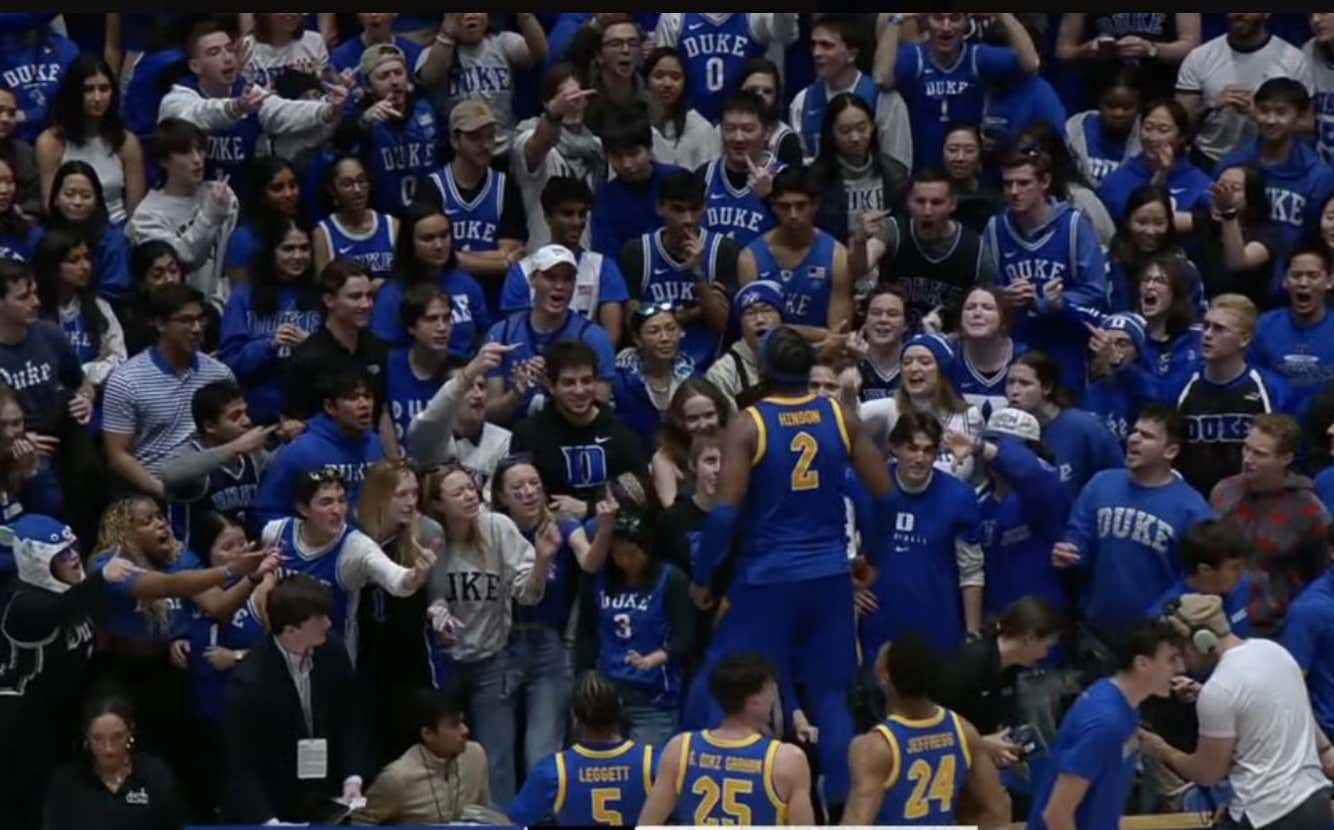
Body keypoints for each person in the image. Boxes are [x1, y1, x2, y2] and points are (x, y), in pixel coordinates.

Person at [684, 326, 895, 811]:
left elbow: (723, 514)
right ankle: (845, 808)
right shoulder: (839, 416)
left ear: (762, 371)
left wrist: (704, 576)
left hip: (766, 579)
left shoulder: (750, 424)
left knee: (724, 682)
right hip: (827, 576)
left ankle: (704, 801)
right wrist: (873, 560)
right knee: (831, 695)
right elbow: (883, 495)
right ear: (807, 370)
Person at [423, 462, 559, 804]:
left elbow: (527, 593)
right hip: (444, 664)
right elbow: (425, 594)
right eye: (459, 492)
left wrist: (541, 560)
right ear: (438, 504)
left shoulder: (497, 527)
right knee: (441, 755)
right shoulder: (429, 535)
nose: (470, 496)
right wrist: (436, 614)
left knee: (496, 758)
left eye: (471, 488)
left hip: (492, 660)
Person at [1139, 594, 1334, 830]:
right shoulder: (1275, 652)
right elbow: (1310, 735)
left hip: (1267, 817)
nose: (1182, 665)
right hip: (1315, 803)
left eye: (1181, 652)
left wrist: (1160, 748)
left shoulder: (1220, 689)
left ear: (1202, 640)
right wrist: (1206, 695)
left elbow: (1206, 773)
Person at [0, 515, 139, 829]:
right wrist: (101, 577)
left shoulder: (76, 592)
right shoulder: (23, 604)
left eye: (73, 548)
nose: (74, 557)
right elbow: (57, 610)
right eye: (62, 554)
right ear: (39, 562)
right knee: (25, 808)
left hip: (60, 717)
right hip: (17, 724)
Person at [1054, 404, 1213, 657]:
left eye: (1147, 436)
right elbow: (1078, 535)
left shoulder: (1192, 508)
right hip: (1095, 631)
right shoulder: (1100, 483)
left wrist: (1163, 616)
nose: (1134, 439)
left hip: (1155, 639)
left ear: (1170, 450)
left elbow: (1197, 577)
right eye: (1134, 431)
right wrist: (1070, 551)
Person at [221, 574, 371, 825]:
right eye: (319, 618)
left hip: (330, 795)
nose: (328, 623)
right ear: (291, 629)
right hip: (278, 803)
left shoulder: (331, 650)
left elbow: (351, 717)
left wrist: (352, 777)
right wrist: (268, 821)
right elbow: (240, 765)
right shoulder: (249, 682)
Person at [158, 19, 343, 196]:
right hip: (191, 200)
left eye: (229, 49)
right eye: (214, 52)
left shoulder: (247, 91)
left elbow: (282, 112)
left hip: (244, 198)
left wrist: (327, 109)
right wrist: (236, 107)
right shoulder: (177, 99)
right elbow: (200, 114)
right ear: (195, 66)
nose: (227, 58)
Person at [1028, 619, 1183, 830]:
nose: (1180, 667)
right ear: (1142, 664)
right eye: (1171, 660)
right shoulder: (1105, 724)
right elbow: (1056, 814)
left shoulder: (1121, 701)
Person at [843, 635, 1010, 827]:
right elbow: (999, 808)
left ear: (884, 678)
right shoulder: (963, 730)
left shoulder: (874, 747)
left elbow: (857, 823)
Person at [983, 147, 1107, 394]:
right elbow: (983, 291)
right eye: (1008, 184)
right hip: (1015, 349)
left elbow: (1097, 293)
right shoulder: (995, 229)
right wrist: (1003, 298)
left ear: (1045, 182)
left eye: (1023, 183)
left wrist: (1057, 302)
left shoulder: (1074, 226)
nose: (1014, 192)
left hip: (1065, 349)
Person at [639, 654, 815, 825]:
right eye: (770, 693)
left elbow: (647, 823)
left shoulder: (679, 748)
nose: (774, 701)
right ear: (755, 701)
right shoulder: (787, 759)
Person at [865, 410, 983, 656]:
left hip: (938, 630)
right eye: (912, 448)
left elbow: (971, 572)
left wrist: (972, 634)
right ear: (894, 447)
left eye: (928, 450)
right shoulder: (867, 485)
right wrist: (850, 588)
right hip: (878, 628)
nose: (919, 458)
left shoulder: (959, 497)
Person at [102, 283, 233, 498]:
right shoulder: (126, 380)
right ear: (160, 324)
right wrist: (162, 492)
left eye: (201, 319)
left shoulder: (219, 374)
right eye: (186, 321)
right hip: (153, 491)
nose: (197, 328)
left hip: (211, 488)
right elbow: (118, 456)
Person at [579, 508, 694, 748]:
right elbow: (587, 631)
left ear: (647, 549)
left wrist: (656, 658)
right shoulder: (601, 578)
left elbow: (686, 635)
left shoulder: (671, 579)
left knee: (646, 772)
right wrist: (586, 675)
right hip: (607, 696)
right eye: (617, 554)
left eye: (631, 554)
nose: (624, 561)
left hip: (653, 698)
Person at [1210, 414, 1329, 638]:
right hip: (1219, 622)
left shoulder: (1309, 511)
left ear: (1285, 458)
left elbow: (1321, 575)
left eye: (1259, 454)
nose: (1247, 459)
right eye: (1246, 449)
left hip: (1273, 630)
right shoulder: (1223, 492)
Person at [873, 12, 1040, 170]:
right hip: (923, 170)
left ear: (967, 23)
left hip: (968, 165)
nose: (946, 27)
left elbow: (1031, 63)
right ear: (926, 22)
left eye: (954, 18)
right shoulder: (915, 57)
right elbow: (881, 78)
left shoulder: (976, 56)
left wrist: (1002, 14)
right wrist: (897, 20)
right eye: (938, 18)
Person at [948, 407, 1072, 618]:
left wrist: (981, 446)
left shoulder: (1045, 492)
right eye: (993, 443)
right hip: (996, 624)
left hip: (1041, 623)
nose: (996, 454)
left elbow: (1028, 470)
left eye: (1007, 447)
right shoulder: (976, 502)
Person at [483, 244, 617, 425]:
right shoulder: (502, 334)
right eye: (550, 277)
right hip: (511, 440)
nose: (559, 286)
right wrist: (515, 395)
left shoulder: (594, 338)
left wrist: (553, 387)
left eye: (567, 279)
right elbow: (489, 415)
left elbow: (600, 413)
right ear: (532, 279)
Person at [511, 340, 645, 515]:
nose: (580, 390)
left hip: (612, 527)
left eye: (586, 381)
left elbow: (643, 495)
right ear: (551, 387)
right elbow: (515, 495)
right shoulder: (528, 434)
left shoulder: (621, 432)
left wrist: (589, 509)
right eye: (569, 383)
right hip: (549, 527)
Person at [620, 169, 736, 369]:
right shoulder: (637, 252)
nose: (688, 219)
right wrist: (695, 313)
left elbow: (720, 324)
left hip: (708, 368)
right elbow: (634, 325)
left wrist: (698, 272)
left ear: (705, 207)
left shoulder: (722, 250)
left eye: (695, 209)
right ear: (659, 208)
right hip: (653, 366)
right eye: (678, 209)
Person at [508, 670, 655, 827]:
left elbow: (513, 822)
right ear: (619, 706)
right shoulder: (651, 762)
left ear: (574, 715)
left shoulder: (555, 770)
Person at [1177, 294, 1289, 497]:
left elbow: (1283, 454)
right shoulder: (1183, 385)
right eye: (1206, 326)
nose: (1207, 335)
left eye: (1219, 329)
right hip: (1193, 501)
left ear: (1244, 339)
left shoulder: (1270, 390)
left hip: (1250, 502)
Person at [930, 596, 1066, 756]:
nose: (1045, 654)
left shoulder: (1012, 669)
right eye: (1047, 646)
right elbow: (934, 729)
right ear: (1030, 638)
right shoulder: (970, 664)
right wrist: (983, 743)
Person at [424, 99, 527, 310]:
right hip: (445, 302)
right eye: (475, 138)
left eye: (490, 136)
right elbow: (434, 258)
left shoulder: (506, 186)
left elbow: (513, 255)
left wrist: (456, 257)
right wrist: (500, 261)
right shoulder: (431, 187)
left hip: (496, 301)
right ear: (454, 140)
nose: (486, 145)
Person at [218, 217, 321, 425]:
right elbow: (229, 365)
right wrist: (269, 345)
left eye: (304, 248)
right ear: (271, 252)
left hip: (312, 417)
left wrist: (310, 346)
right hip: (257, 418)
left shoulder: (323, 295)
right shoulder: (243, 296)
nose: (298, 256)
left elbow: (340, 363)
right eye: (288, 249)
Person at [503, 175, 631, 344]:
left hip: (586, 364)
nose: (577, 221)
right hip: (535, 363)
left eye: (582, 214)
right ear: (548, 217)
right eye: (568, 214)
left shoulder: (604, 267)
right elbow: (516, 335)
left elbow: (610, 339)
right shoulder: (522, 271)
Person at [126, 118, 238, 306]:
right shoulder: (146, 217)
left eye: (200, 150)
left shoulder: (222, 195)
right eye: (185, 152)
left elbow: (228, 261)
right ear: (163, 160)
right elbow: (183, 259)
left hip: (221, 306)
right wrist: (211, 215)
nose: (197, 159)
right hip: (173, 313)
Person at [1175, 13, 1311, 168]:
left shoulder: (1293, 60)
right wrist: (1211, 105)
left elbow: (1307, 126)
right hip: (1207, 160)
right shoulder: (1199, 57)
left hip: (1268, 163)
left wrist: (1261, 113)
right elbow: (1180, 124)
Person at [1217, 77, 1334, 256]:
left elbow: (1316, 237)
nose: (1270, 120)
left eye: (1281, 112)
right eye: (1264, 110)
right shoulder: (1232, 165)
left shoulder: (1319, 176)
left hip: (1293, 273)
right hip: (1238, 263)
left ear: (1299, 117)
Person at [256, 372, 386, 526]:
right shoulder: (301, 451)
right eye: (353, 398)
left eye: (368, 396)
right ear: (330, 407)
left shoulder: (375, 443)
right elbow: (266, 512)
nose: (364, 404)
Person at [738, 166, 852, 342]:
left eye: (801, 206)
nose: (793, 215)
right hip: (768, 356)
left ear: (815, 205)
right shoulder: (750, 258)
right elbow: (755, 332)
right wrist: (819, 334)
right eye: (785, 206)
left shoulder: (837, 256)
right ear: (773, 206)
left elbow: (838, 335)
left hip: (821, 357)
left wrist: (781, 329)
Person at [350, 689, 495, 825]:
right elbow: (360, 822)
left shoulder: (475, 755)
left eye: (462, 721)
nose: (465, 730)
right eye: (454, 725)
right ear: (428, 734)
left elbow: (485, 813)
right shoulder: (398, 778)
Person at [43, 694, 187, 830]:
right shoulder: (66, 781)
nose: (108, 749)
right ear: (86, 736)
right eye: (98, 738)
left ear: (130, 732)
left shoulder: (155, 775)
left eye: (117, 737)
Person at [416, 13, 546, 159]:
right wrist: (447, 34)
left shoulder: (502, 42)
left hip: (503, 150)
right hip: (459, 154)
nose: (471, 15)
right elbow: (430, 78)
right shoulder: (434, 52)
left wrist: (525, 16)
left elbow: (538, 53)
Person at [36, 53, 144, 225]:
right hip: (68, 230)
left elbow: (135, 209)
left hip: (116, 229)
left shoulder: (126, 141)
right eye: (88, 90)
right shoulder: (51, 141)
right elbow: (50, 206)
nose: (97, 98)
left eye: (104, 89)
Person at [876, 167, 989, 332]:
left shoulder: (975, 247)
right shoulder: (893, 230)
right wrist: (858, 242)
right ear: (908, 202)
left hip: (951, 343)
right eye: (920, 201)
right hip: (895, 338)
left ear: (952, 204)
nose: (927, 211)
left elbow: (991, 302)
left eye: (936, 203)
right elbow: (862, 265)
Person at [159, 379, 272, 543]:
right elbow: (169, 475)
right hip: (196, 562)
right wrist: (235, 447)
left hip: (242, 553)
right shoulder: (192, 454)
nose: (247, 421)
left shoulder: (253, 456)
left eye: (245, 413)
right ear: (210, 426)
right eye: (235, 416)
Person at [370, 202, 488, 359]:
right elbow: (383, 353)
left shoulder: (467, 284)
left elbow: (485, 336)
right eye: (428, 238)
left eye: (444, 235)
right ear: (409, 243)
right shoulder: (392, 295)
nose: (439, 245)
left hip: (468, 374)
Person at [789, 15, 912, 164]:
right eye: (813, 45)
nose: (816, 53)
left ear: (851, 55)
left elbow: (898, 164)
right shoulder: (801, 102)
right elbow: (799, 164)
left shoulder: (883, 99)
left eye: (826, 45)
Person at [512, 63, 606, 251]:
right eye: (566, 98)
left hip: (585, 256)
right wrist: (555, 113)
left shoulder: (597, 148)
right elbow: (540, 144)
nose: (573, 103)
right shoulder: (527, 134)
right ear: (547, 103)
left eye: (579, 97)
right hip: (543, 255)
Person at [281, 259, 388, 425]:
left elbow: (384, 414)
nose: (366, 304)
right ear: (329, 300)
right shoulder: (306, 359)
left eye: (369, 296)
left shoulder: (379, 349)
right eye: (355, 297)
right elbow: (294, 424)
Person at [1005, 351, 1124, 499]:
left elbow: (1118, 480)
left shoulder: (1086, 427)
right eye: (1010, 382)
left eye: (1025, 383)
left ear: (1047, 388)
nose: (1014, 391)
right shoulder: (1005, 431)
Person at [808, 93, 909, 267]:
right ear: (831, 133)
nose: (855, 138)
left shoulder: (896, 173)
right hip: (834, 266)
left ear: (872, 127)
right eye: (845, 131)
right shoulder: (815, 179)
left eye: (862, 128)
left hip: (886, 270)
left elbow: (905, 228)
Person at [404, 341, 512, 494]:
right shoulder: (430, 434)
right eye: (468, 387)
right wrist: (466, 375)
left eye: (481, 386)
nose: (478, 395)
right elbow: (427, 420)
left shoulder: (503, 440)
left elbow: (496, 501)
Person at [347, 42, 442, 216]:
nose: (394, 81)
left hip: (428, 214)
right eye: (384, 76)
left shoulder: (426, 108)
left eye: (398, 73)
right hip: (384, 217)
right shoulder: (361, 118)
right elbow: (339, 141)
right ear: (368, 86)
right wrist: (362, 123)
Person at [32, 228, 126, 400]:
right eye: (74, 260)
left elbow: (119, 359)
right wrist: (93, 366)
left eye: (87, 258)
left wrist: (83, 375)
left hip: (95, 399)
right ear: (52, 265)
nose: (85, 266)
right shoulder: (34, 310)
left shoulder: (99, 306)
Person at [652, 13, 798, 123]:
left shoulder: (755, 16)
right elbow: (660, 72)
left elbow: (786, 35)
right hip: (688, 125)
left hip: (745, 124)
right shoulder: (674, 18)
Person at [1097, 97, 1213, 222]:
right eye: (1147, 128)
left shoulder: (1201, 183)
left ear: (1181, 137)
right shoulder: (1116, 181)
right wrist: (1161, 174)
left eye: (1163, 130)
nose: (1152, 137)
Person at [590, 108, 683, 261]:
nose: (626, 164)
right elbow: (606, 258)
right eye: (617, 156)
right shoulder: (604, 199)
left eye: (633, 154)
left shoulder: (678, 180)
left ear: (649, 148)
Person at [1251, 245, 1334, 414]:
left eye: (1313, 276)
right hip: (1274, 426)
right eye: (1296, 275)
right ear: (1284, 281)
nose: (1303, 283)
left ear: (1329, 281)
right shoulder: (1263, 326)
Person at [1055, 13, 1201, 103]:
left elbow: (1192, 45)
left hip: (1159, 91)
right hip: (1103, 93)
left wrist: (1152, 49)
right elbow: (1063, 51)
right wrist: (1088, 49)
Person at [45, 159, 134, 305]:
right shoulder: (39, 235)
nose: (77, 202)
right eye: (69, 194)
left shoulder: (113, 239)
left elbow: (116, 290)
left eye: (86, 196)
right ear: (55, 198)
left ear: (97, 201)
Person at [700, 90, 780, 247]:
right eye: (729, 129)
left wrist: (770, 197)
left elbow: (799, 237)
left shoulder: (785, 176)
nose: (738, 138)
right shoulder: (704, 175)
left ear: (767, 132)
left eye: (748, 129)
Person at [1105, 185, 1201, 314]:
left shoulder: (1185, 270)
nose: (1150, 231)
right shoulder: (1107, 265)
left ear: (1169, 223)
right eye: (1142, 222)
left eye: (1159, 223)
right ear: (1127, 222)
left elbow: (1196, 319)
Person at [312, 155, 397, 283]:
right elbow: (325, 288)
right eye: (347, 184)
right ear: (332, 190)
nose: (357, 190)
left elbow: (405, 281)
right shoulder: (323, 233)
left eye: (361, 181)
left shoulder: (392, 225)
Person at [221, 156, 302, 286]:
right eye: (277, 188)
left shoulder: (304, 228)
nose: (289, 194)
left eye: (293, 185)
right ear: (261, 195)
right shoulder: (243, 239)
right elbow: (240, 293)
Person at [649, 378, 729, 508]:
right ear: (679, 421)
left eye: (709, 415)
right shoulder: (665, 458)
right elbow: (672, 511)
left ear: (720, 414)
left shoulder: (736, 447)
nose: (703, 425)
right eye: (693, 418)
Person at [704, 279, 781, 404]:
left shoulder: (799, 359)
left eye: (767, 310)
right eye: (750, 313)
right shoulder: (723, 373)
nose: (759, 320)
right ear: (740, 325)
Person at [1064, 67, 1142, 188]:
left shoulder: (1146, 136)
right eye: (1111, 106)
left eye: (1127, 108)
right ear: (1099, 102)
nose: (1118, 113)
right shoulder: (1075, 129)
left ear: (1138, 106)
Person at [642, 47, 715, 172]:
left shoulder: (701, 128)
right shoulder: (633, 123)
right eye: (659, 76)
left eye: (675, 77)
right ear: (646, 80)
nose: (667, 84)